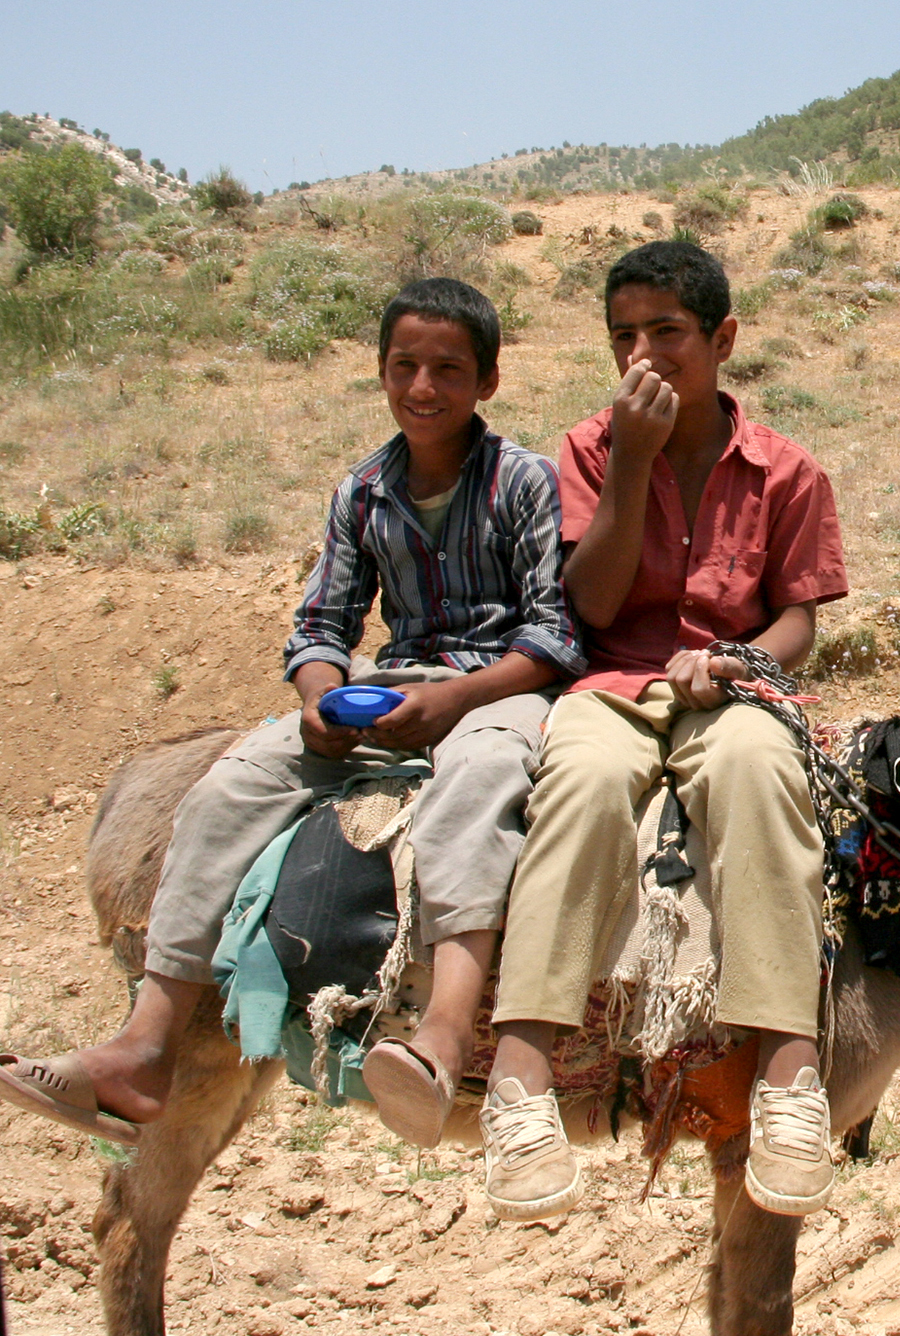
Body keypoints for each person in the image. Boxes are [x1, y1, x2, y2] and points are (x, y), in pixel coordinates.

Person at [0, 277, 581, 1153]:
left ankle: (446, 1033)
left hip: (496, 691)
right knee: (230, 786)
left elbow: (551, 631)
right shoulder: (361, 493)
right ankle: (145, 1044)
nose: (423, 387)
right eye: (405, 366)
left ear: (487, 382)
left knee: (483, 782)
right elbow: (321, 627)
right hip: (394, 681)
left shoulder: (527, 481)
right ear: (381, 372)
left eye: (448, 370)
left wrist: (454, 701)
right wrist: (319, 702)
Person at [477, 240, 848, 1223]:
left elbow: (799, 620)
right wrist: (634, 462)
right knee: (583, 785)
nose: (644, 353)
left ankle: (787, 1077)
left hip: (728, 689)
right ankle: (517, 1082)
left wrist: (735, 661)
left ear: (721, 339)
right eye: (622, 337)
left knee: (763, 771)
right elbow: (591, 601)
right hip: (611, 681)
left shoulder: (786, 472)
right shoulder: (594, 449)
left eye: (667, 333)